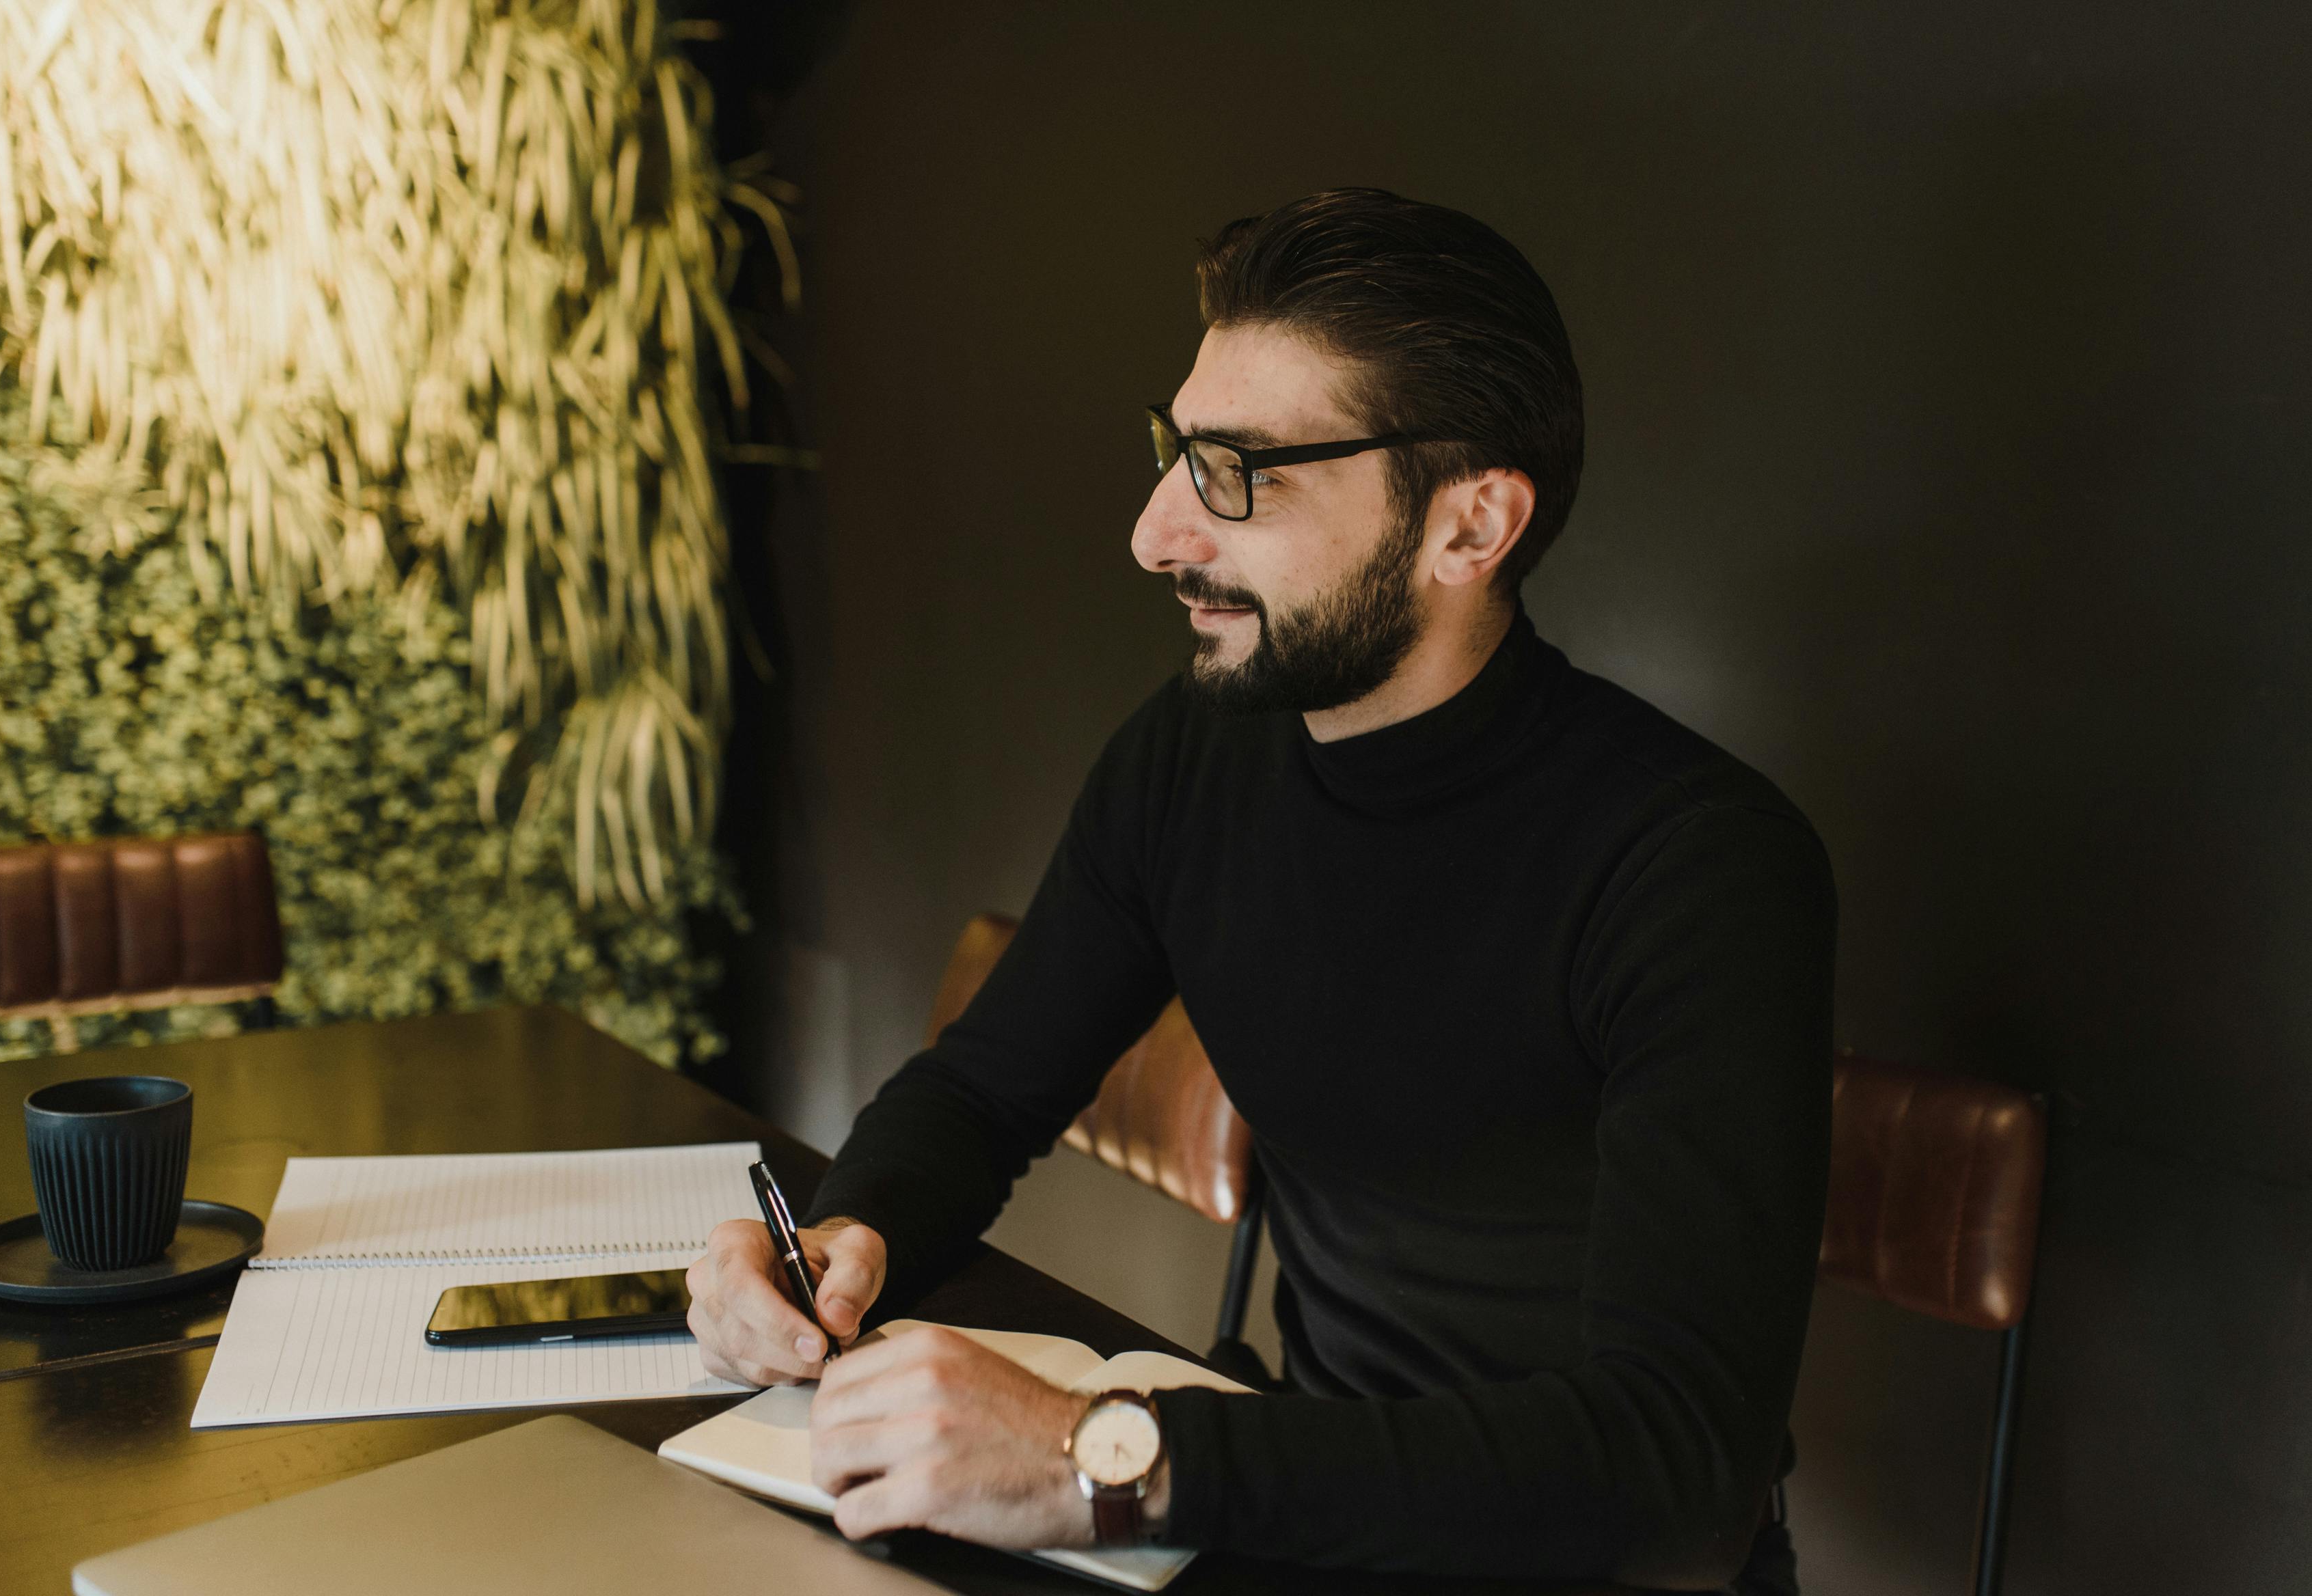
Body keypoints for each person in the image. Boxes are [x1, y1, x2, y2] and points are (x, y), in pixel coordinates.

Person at [685, 187, 1833, 1592]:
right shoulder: (1193, 757)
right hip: (1301, 1511)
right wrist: (846, 1239)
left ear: (1470, 526)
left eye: (1238, 473)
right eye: (1178, 453)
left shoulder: (1694, 862)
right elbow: (983, 1089)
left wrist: (1100, 1457)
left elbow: (1671, 1459)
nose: (1155, 533)